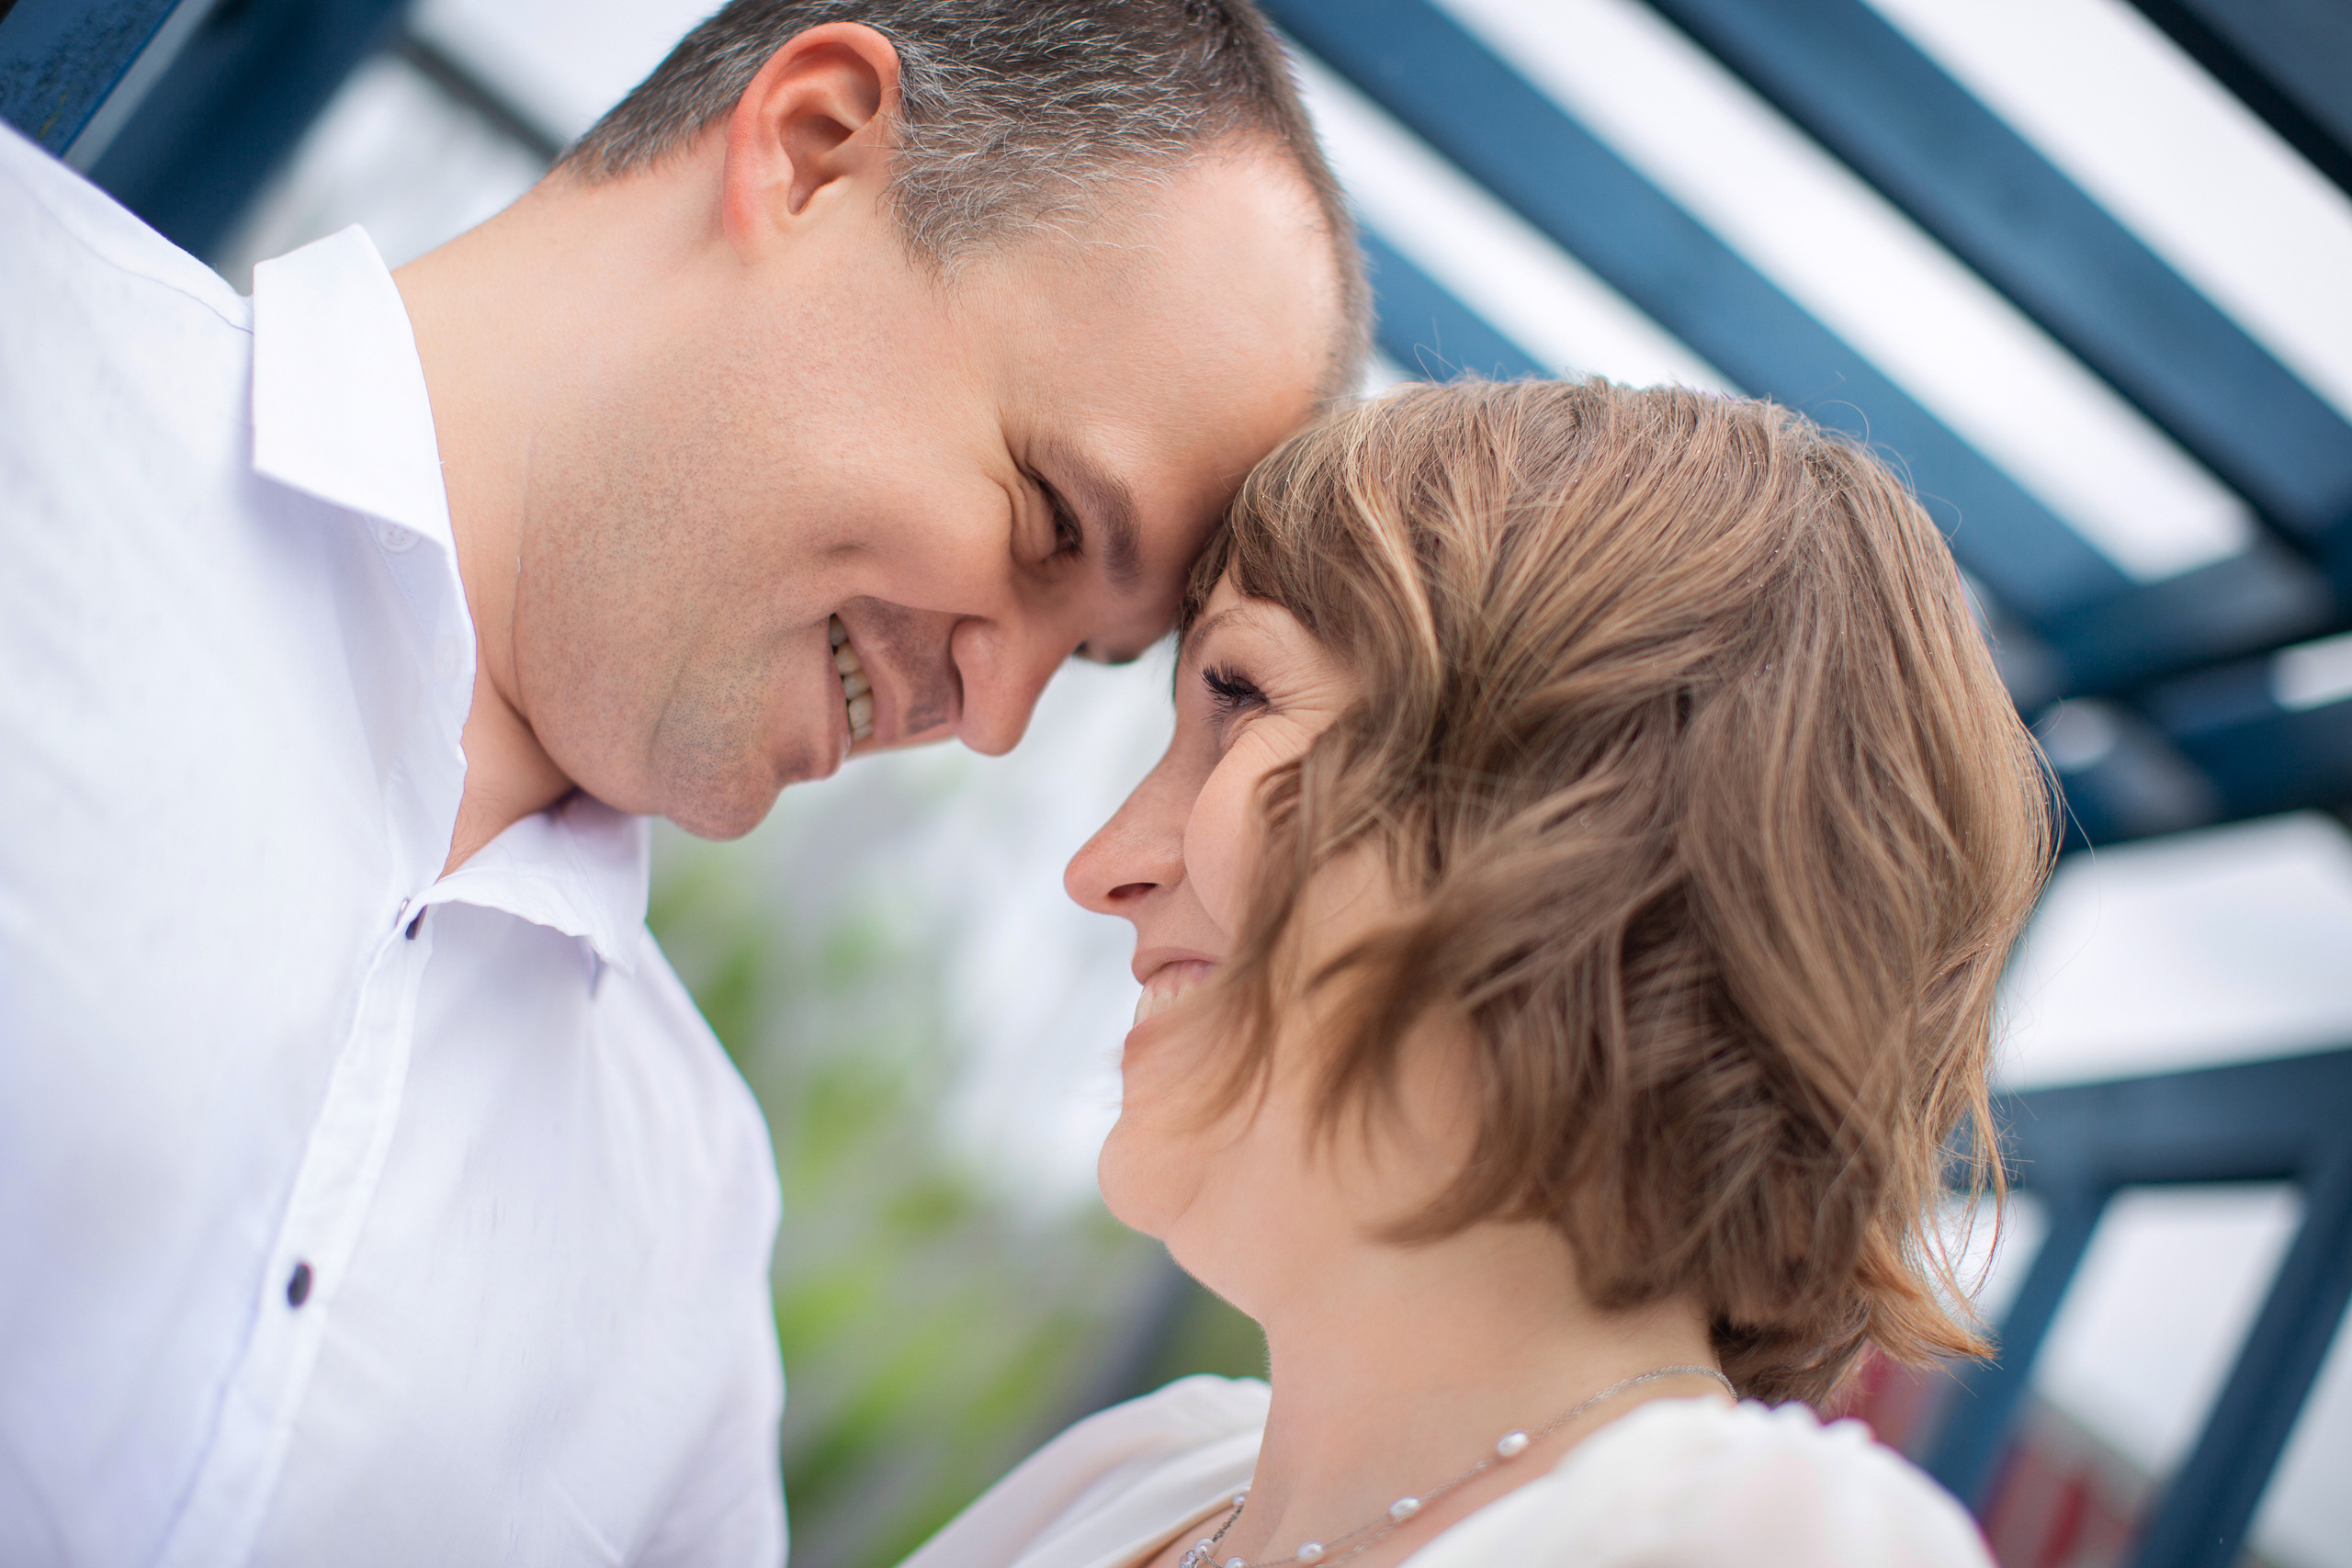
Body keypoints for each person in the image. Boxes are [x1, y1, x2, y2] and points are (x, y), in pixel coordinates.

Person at [0, 2, 1363, 1562]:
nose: (996, 715)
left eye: (1085, 656)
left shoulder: (688, 1239)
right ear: (814, 148)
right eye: (1048, 520)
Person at [901, 379, 2053, 1567]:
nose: (1103, 867)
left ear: (1584, 813)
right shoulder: (1125, 1483)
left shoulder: (1767, 1544)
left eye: (1239, 699)